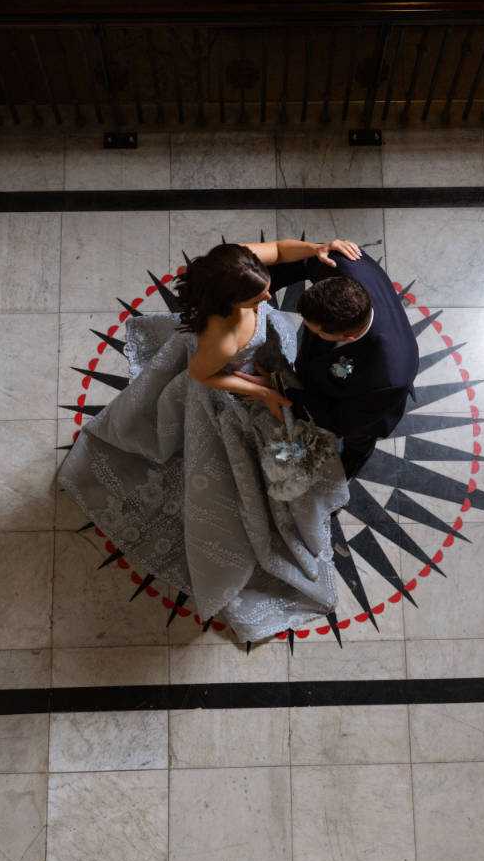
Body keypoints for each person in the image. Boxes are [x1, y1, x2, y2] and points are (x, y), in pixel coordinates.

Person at [56, 238, 356, 643]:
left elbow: (282, 250)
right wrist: (262, 392)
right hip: (230, 394)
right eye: (258, 295)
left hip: (254, 364)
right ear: (230, 301)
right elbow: (202, 376)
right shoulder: (222, 338)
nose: (270, 294)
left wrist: (317, 248)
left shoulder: (240, 266)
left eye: (265, 287)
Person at [251, 240, 419, 478]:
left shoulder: (389, 375)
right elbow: (304, 262)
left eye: (317, 331)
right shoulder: (341, 264)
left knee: (357, 443)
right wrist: (256, 294)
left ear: (348, 336)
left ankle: (345, 473)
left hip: (365, 411)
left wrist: (283, 391)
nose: (307, 331)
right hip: (324, 369)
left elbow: (338, 421)